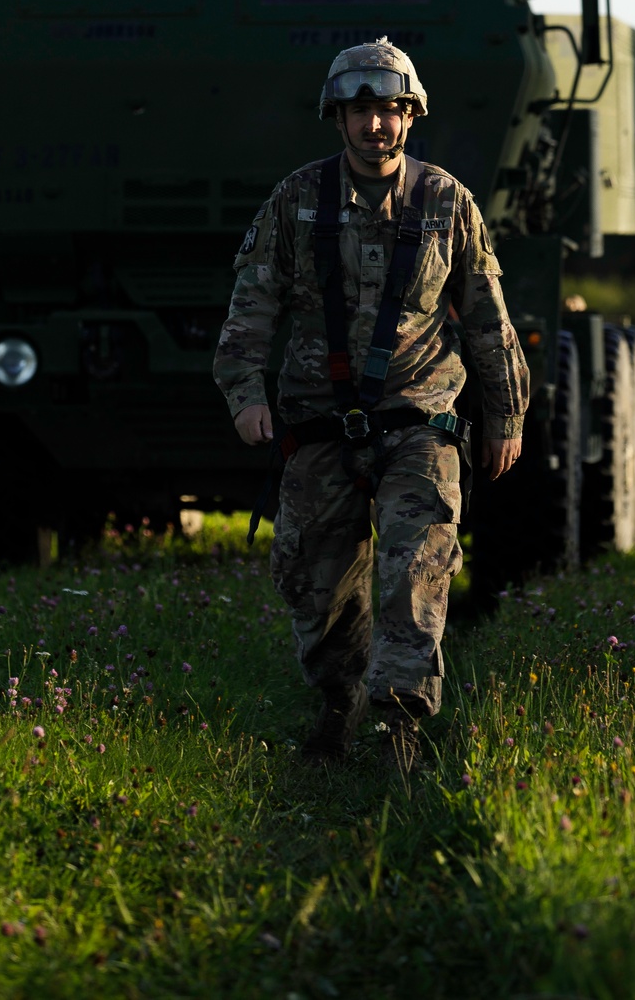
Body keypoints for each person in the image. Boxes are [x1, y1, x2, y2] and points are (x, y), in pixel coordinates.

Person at [213, 38, 529, 767]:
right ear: (338, 118)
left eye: (390, 110)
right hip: (317, 420)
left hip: (421, 417)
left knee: (416, 571)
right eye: (362, 111)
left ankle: (400, 728)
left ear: (411, 117)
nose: (376, 126)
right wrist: (243, 394)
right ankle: (338, 703)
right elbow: (251, 305)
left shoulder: (449, 203)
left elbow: (487, 317)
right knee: (312, 585)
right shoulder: (295, 201)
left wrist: (505, 413)